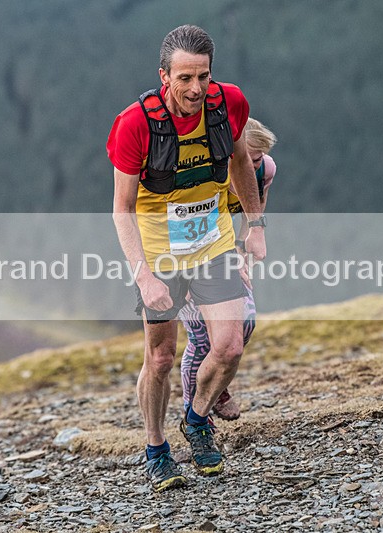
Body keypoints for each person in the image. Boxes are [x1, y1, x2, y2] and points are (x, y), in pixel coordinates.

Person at [107, 25, 267, 492]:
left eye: (203, 76)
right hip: (160, 253)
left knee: (231, 345)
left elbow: (240, 161)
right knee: (159, 359)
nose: (195, 89)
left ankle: (196, 420)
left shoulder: (229, 103)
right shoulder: (134, 124)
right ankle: (155, 449)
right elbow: (122, 209)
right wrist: (144, 277)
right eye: (184, 79)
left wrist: (254, 225)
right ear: (165, 77)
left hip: (213, 244)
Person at [178, 118, 278, 421]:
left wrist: (242, 255)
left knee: (243, 325)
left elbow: (254, 210)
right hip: (181, 252)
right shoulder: (207, 172)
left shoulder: (266, 169)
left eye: (256, 159)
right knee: (200, 334)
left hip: (224, 249)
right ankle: (193, 409)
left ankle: (217, 385)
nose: (249, 166)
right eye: (244, 159)